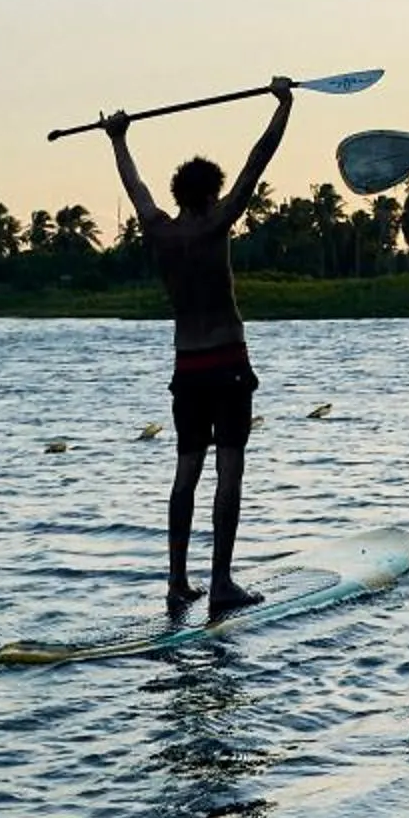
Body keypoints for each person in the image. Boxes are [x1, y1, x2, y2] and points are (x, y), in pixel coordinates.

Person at [102, 78, 293, 618]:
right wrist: (284, 105)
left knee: (186, 472)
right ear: (211, 194)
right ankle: (221, 582)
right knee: (229, 470)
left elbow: (136, 186)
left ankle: (177, 582)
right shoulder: (217, 223)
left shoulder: (159, 231)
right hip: (227, 361)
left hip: (186, 367)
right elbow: (258, 160)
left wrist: (118, 138)